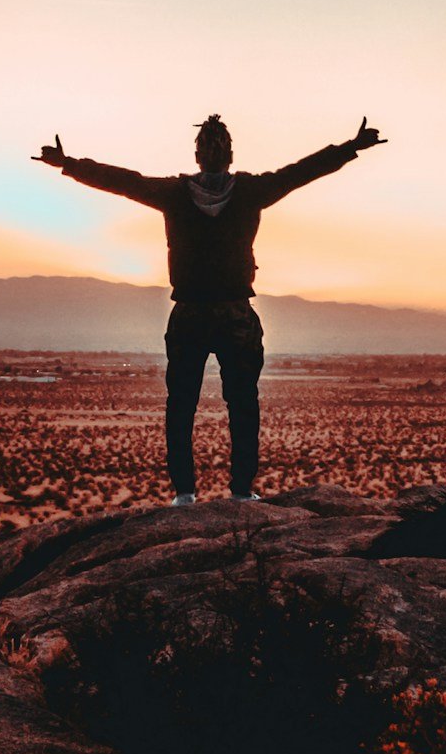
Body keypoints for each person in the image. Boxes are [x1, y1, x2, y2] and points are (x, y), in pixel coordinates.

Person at [36, 114, 386, 503]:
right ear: (230, 154)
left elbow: (124, 181)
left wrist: (68, 165)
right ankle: (241, 492)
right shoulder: (251, 191)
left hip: (189, 313)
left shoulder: (174, 193)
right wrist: (351, 147)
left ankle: (185, 493)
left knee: (181, 404)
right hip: (236, 314)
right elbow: (300, 172)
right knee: (243, 404)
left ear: (197, 155)